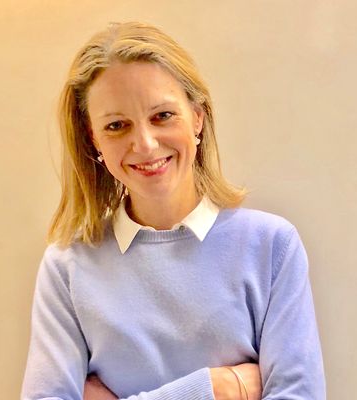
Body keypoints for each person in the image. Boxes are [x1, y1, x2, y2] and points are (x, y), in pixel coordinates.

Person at [21, 21, 326, 400]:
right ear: (92, 138)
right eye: (117, 125)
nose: (145, 144)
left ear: (197, 116)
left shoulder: (271, 247)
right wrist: (213, 389)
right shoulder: (67, 267)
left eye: (162, 116)